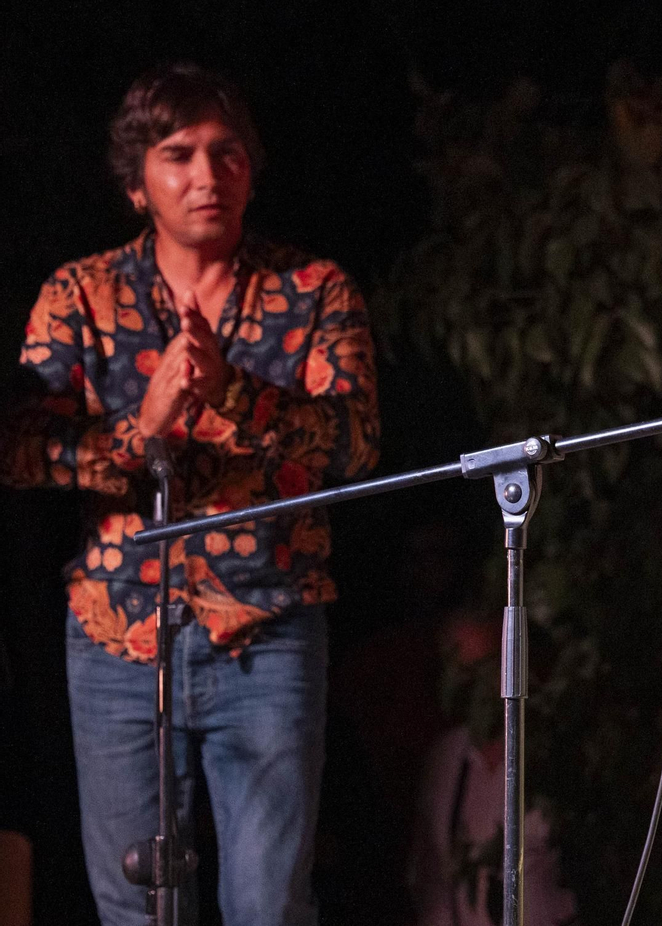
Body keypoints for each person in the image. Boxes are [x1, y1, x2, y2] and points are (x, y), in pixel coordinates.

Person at [0, 63, 379, 925]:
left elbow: (355, 445)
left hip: (268, 631)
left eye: (226, 152)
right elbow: (22, 448)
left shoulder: (313, 290)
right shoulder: (80, 295)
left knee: (268, 906)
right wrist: (148, 423)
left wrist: (235, 396)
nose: (207, 175)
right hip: (116, 640)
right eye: (179, 155)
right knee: (136, 905)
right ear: (137, 184)